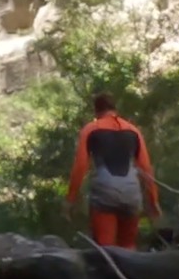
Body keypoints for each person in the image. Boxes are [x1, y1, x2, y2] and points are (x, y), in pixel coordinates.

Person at [66, 88, 159, 251]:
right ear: (115, 109)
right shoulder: (133, 130)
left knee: (106, 248)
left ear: (96, 111)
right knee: (128, 246)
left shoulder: (91, 129)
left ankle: (108, 266)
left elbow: (80, 166)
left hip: (105, 191)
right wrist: (153, 201)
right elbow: (146, 168)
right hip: (131, 192)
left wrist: (70, 200)